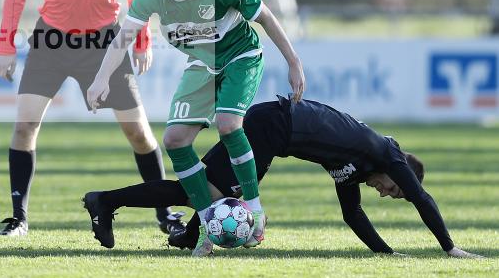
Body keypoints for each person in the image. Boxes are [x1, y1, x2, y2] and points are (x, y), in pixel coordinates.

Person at [86, 0, 305, 255]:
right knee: (174, 140)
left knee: (229, 124)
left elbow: (266, 18)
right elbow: (124, 37)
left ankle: (254, 211)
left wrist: (293, 61)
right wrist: (101, 78)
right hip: (203, 65)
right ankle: (206, 225)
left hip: (241, 57)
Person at [0, 0, 182, 237]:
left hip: (104, 44)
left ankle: (166, 213)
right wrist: (5, 45)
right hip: (51, 41)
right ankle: (18, 218)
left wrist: (142, 41)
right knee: (24, 127)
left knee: (138, 133)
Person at [82, 96, 484, 259]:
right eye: (392, 189)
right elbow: (422, 198)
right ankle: (107, 201)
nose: (386, 193)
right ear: (398, 172)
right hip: (272, 126)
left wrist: (385, 255)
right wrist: (449, 247)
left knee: (201, 189)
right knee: (205, 191)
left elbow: (353, 216)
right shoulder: (384, 152)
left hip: (271, 130)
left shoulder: (354, 168)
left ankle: (181, 234)